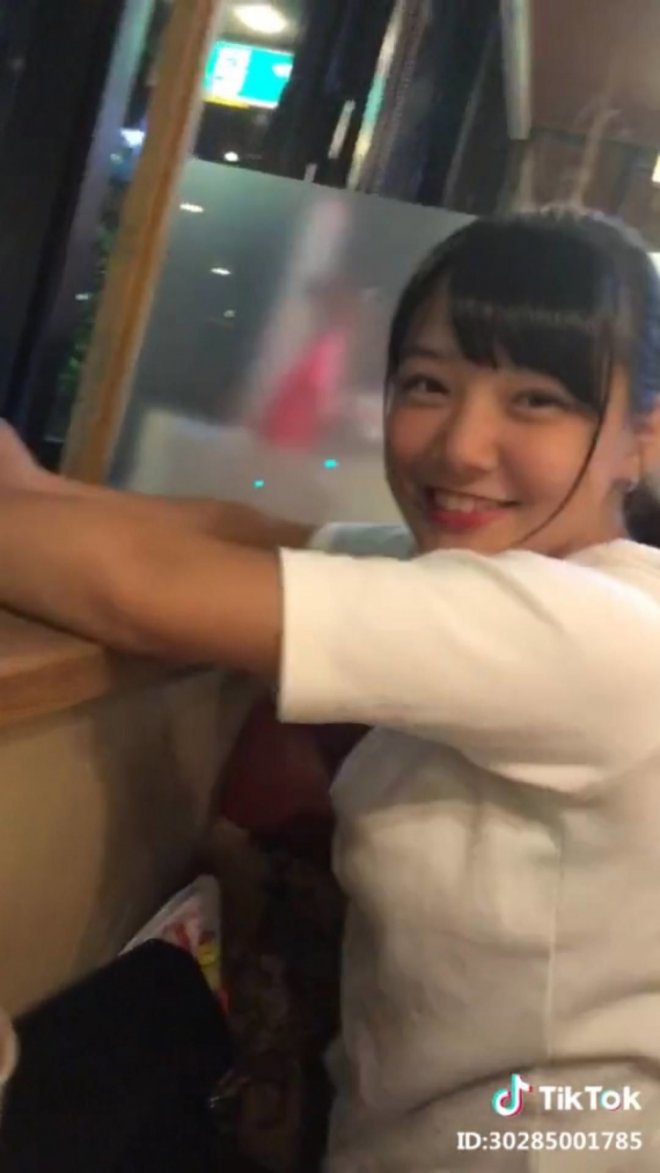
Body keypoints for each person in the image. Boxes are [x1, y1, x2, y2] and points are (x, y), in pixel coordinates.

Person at [2, 206, 660, 1170]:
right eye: (428, 383)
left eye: (535, 401)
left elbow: (140, 591)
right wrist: (34, 486)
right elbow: (239, 536)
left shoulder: (591, 628)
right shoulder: (497, 579)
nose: (461, 446)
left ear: (644, 439)